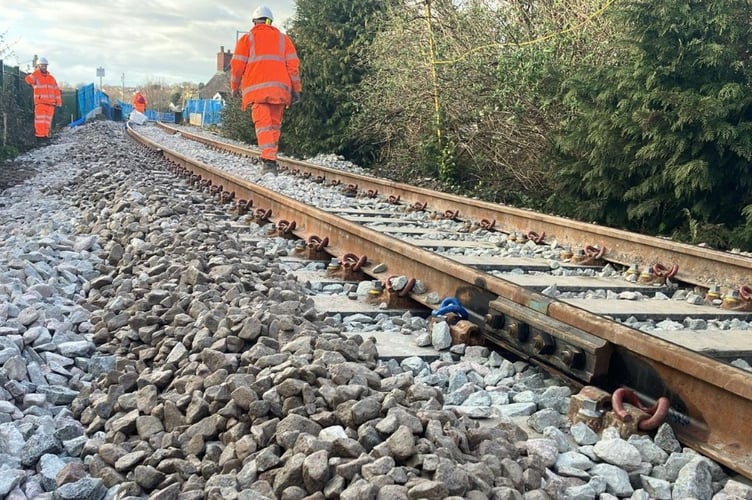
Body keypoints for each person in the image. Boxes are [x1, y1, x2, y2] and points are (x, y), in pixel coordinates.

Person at [230, 5, 302, 173]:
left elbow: (237, 66)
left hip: (258, 92)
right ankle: (271, 158)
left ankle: (269, 163)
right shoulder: (284, 40)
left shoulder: (247, 39)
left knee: (263, 126)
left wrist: (234, 87)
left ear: (254, 22)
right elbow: (293, 67)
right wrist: (296, 89)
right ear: (270, 21)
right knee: (274, 127)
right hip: (280, 92)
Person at [24, 57, 62, 142]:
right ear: (38, 66)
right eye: (42, 66)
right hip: (40, 103)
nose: (44, 67)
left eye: (45, 66)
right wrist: (36, 72)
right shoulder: (36, 76)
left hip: (51, 104)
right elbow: (28, 80)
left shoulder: (51, 78)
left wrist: (58, 102)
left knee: (47, 122)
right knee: (40, 122)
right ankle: (40, 138)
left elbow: (56, 90)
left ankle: (45, 137)